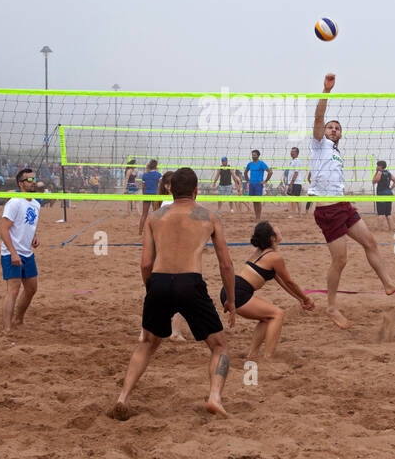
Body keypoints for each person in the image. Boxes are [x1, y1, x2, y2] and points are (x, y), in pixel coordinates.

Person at [110, 167, 236, 420]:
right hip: (190, 282)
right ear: (196, 190)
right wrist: (231, 300)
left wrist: (152, 291)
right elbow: (226, 264)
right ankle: (214, 397)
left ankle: (123, 396)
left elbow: (145, 264)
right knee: (219, 345)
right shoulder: (209, 217)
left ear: (170, 188)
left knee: (147, 343)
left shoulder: (155, 218)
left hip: (159, 281)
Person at [309, 73, 395, 329]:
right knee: (340, 261)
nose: (333, 129)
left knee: (370, 242)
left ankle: (388, 283)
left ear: (341, 135)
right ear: (324, 132)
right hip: (327, 209)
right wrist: (326, 91)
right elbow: (319, 117)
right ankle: (332, 307)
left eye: (337, 128)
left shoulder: (336, 152)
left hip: (342, 204)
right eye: (330, 127)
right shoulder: (319, 144)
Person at [218, 221, 314, 360]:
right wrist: (306, 299)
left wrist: (300, 299)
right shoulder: (274, 257)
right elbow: (290, 282)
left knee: (266, 318)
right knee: (277, 314)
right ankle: (268, 357)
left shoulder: (261, 252)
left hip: (229, 290)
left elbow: (282, 282)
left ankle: (253, 354)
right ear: (272, 238)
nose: (279, 230)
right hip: (238, 293)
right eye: (276, 230)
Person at [0, 168, 41, 333]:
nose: (33, 182)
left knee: (31, 289)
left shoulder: (35, 203)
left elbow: (28, 224)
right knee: (13, 290)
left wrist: (35, 236)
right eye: (29, 180)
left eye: (34, 179)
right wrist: (13, 253)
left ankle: (18, 320)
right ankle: (6, 329)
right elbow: (3, 229)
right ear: (21, 184)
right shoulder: (14, 202)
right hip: (12, 253)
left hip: (27, 253)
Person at [243, 150, 272, 219]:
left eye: (254, 155)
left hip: (258, 185)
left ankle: (258, 218)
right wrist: (248, 180)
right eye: (252, 155)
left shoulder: (261, 163)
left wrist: (265, 181)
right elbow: (245, 172)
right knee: (254, 201)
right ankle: (256, 217)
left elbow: (270, 172)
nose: (253, 156)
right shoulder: (250, 164)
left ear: (258, 156)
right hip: (252, 184)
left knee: (258, 202)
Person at [137, 159, 162, 234]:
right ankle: (156, 231)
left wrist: (144, 195)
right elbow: (161, 185)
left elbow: (143, 187)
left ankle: (140, 232)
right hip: (155, 195)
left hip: (147, 194)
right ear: (156, 166)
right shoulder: (159, 175)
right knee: (156, 214)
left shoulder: (145, 175)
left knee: (144, 214)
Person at [372, 160, 395, 230]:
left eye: (377, 166)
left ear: (380, 166)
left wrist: (376, 172)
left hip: (381, 194)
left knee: (380, 214)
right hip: (389, 194)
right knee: (388, 214)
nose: (376, 167)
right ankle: (392, 229)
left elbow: (374, 181)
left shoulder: (379, 173)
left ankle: (379, 230)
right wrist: (390, 189)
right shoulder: (388, 173)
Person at [283, 146, 304, 216]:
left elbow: (296, 173)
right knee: (297, 199)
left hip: (295, 183)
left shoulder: (297, 161)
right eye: (291, 151)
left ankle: (293, 214)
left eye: (293, 152)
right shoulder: (293, 161)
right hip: (295, 183)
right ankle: (300, 214)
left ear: (297, 153)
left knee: (293, 199)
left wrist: (291, 183)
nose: (291, 153)